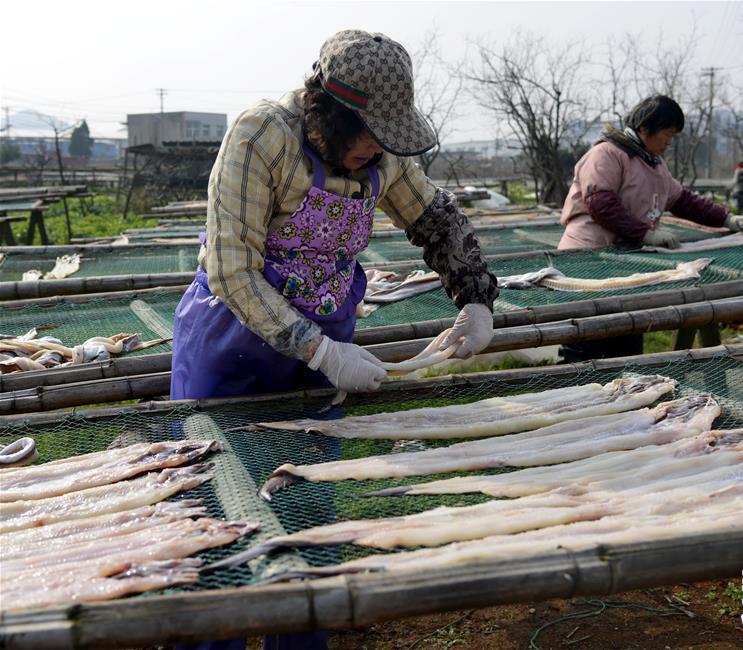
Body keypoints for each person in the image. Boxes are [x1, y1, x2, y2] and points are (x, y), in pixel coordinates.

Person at [170, 30, 498, 650]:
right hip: (230, 348)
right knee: (217, 515)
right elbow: (233, 269)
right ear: (328, 111)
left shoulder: (384, 159)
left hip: (322, 359)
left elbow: (436, 219)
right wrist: (318, 348)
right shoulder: (262, 136)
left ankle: (301, 635)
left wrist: (476, 296)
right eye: (369, 132)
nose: (378, 148)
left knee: (303, 506)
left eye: (388, 137)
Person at [557, 95, 743, 362]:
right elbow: (600, 202)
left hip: (625, 263)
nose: (669, 142)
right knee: (585, 341)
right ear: (644, 128)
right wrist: (645, 233)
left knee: (628, 336)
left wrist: (726, 218)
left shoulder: (654, 164)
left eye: (673, 136)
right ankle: (574, 397)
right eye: (667, 134)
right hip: (588, 261)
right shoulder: (607, 154)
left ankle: (626, 396)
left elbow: (683, 201)